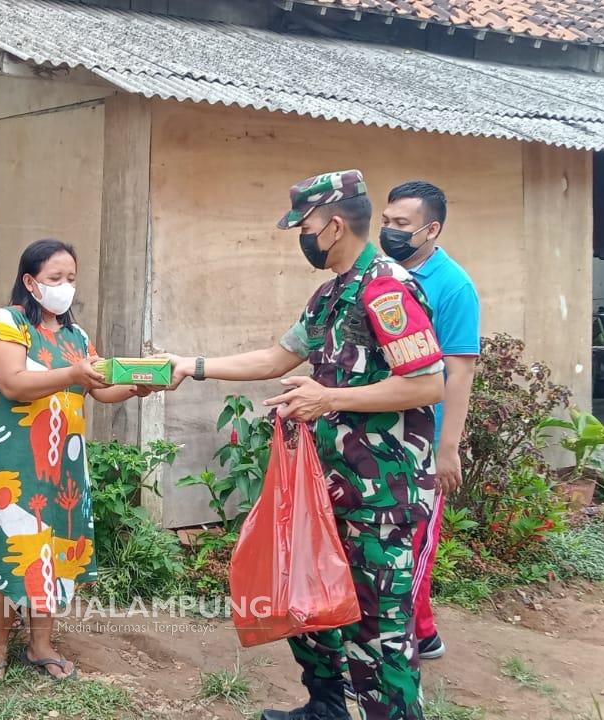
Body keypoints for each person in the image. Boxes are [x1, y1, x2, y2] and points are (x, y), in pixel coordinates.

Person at [166, 170, 444, 720]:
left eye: (305, 225)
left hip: (382, 493)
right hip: (330, 487)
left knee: (377, 627)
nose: (302, 235)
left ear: (334, 225)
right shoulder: (332, 292)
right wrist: (190, 366)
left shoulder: (386, 288)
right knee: (312, 604)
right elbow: (277, 358)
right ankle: (328, 708)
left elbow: (428, 381)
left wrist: (327, 398)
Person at [0, 239, 154, 685]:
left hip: (64, 464)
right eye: (55, 278)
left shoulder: (76, 336)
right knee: (9, 552)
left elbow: (98, 388)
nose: (65, 287)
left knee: (52, 552)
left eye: (71, 278)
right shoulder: (7, 323)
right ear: (30, 281)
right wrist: (73, 373)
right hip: (15, 461)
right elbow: (13, 383)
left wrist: (136, 386)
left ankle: (41, 644)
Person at [379, 180, 480, 662]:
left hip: (424, 438)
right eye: (386, 221)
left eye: (401, 224)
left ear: (430, 229)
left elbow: (459, 370)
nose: (390, 231)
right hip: (381, 433)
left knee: (416, 541)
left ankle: (415, 637)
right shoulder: (384, 275)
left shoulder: (453, 286)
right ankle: (413, 630)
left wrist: (448, 448)